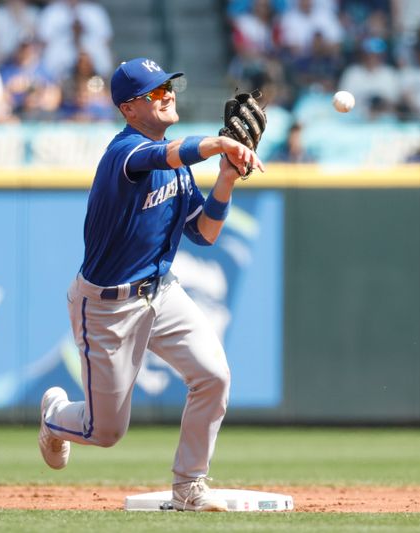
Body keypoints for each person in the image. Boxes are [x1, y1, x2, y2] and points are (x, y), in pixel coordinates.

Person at [37, 57, 264, 512]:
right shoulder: (125, 153)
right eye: (154, 92)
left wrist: (225, 180)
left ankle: (189, 487)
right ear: (128, 109)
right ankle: (54, 416)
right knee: (105, 433)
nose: (167, 95)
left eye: (169, 87)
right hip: (107, 307)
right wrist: (220, 143)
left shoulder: (179, 169)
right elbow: (165, 154)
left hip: (162, 291)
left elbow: (203, 234)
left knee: (213, 376)